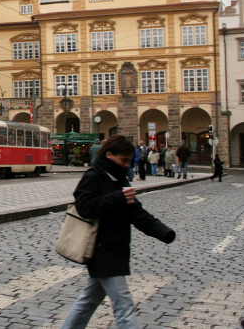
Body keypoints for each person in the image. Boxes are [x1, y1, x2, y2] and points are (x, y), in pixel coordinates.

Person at [61, 134, 176, 329]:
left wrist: (164, 232)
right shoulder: (94, 176)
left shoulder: (119, 179)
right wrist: (117, 197)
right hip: (101, 250)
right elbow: (85, 207)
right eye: (124, 160)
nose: (126, 165)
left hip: (115, 248)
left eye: (129, 161)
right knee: (124, 305)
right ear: (109, 154)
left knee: (88, 301)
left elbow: (136, 213)